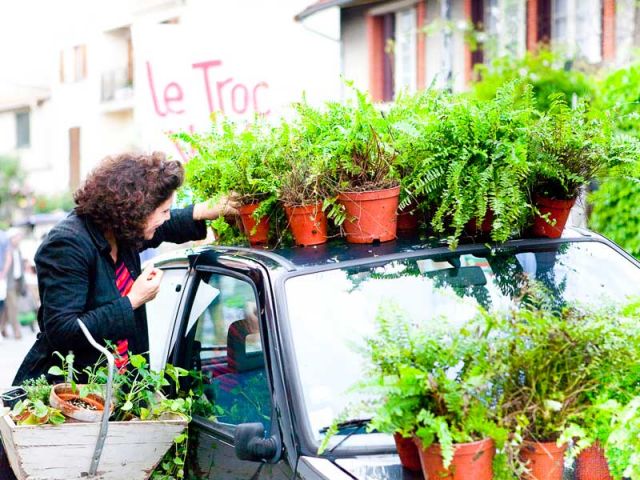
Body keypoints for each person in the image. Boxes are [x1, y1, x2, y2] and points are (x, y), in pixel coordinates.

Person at [12, 152, 238, 385]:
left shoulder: (122, 231)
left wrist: (206, 210)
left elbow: (164, 228)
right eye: (163, 211)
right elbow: (63, 331)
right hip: (70, 394)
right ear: (135, 211)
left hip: (117, 387)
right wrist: (133, 300)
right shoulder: (67, 244)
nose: (166, 217)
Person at [0, 229, 25, 340]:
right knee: (13, 307)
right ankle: (17, 332)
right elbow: (6, 264)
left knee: (7, 308)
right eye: (17, 237)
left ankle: (3, 329)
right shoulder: (7, 249)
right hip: (8, 282)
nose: (19, 239)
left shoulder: (18, 250)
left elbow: (20, 268)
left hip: (17, 282)